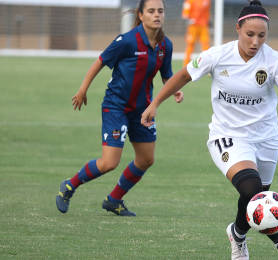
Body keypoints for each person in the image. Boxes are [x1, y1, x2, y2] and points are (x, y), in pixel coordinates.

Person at [141, 1, 278, 258]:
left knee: (255, 195)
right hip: (227, 136)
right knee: (253, 191)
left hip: (267, 138)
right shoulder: (217, 55)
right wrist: (155, 103)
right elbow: (183, 75)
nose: (256, 41)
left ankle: (237, 235)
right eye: (250, 34)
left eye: (262, 36)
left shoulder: (274, 61)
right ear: (238, 28)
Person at [55, 0, 184, 216]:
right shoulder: (127, 41)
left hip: (143, 110)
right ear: (141, 15)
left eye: (160, 11)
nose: (157, 15)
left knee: (146, 159)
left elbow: (167, 74)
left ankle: (114, 200)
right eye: (151, 11)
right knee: (109, 162)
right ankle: (69, 185)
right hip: (116, 107)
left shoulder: (165, 45)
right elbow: (100, 61)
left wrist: (174, 89)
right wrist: (82, 90)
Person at [182, 0, 211, 67]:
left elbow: (207, 12)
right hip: (193, 26)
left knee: (205, 45)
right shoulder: (190, 1)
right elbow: (185, 14)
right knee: (190, 45)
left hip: (203, 26)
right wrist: (188, 20)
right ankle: (185, 66)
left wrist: (208, 21)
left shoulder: (207, 1)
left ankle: (208, 66)